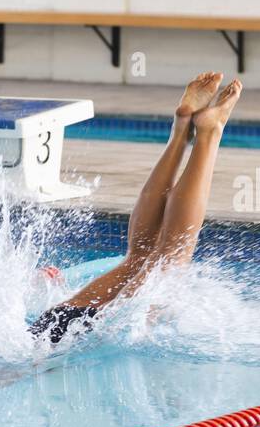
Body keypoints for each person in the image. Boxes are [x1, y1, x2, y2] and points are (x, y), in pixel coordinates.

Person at [29, 72, 243, 346]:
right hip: (50, 325)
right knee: (141, 259)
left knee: (166, 262)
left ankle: (208, 133)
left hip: (63, 339)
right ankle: (181, 130)